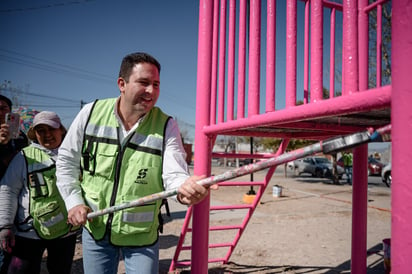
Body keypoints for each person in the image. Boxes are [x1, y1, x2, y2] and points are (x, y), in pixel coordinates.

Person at [56, 52, 214, 274]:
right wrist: (73, 201)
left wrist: (183, 189)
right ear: (122, 83)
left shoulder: (166, 125)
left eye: (156, 84)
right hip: (96, 231)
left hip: (141, 237)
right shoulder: (90, 113)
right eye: (144, 82)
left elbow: (174, 174)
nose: (151, 91)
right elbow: (66, 162)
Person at [0, 111, 78, 274]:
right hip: (29, 233)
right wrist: (5, 225)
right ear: (35, 134)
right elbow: (8, 190)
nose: (47, 134)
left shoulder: (74, 154)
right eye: (41, 130)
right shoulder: (24, 156)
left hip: (67, 231)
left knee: (60, 270)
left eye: (52, 129)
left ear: (61, 130)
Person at [0, 94, 28, 274]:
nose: (0, 111)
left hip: (14, 199)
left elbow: (23, 165)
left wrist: (9, 143)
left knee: (8, 248)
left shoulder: (20, 137)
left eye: (3, 108)